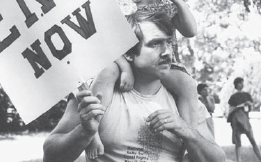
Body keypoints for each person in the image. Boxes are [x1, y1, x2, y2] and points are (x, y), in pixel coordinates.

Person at [43, 10, 226, 162]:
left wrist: (187, 131)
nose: (167, 52)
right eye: (155, 44)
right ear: (129, 54)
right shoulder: (96, 95)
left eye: (168, 42)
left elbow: (218, 160)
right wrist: (84, 132)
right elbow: (50, 156)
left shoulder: (184, 101)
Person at [86, 0, 199, 158]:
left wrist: (178, 0)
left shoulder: (165, 4)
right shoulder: (123, 6)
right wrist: (125, 68)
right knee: (107, 73)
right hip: (123, 60)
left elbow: (190, 30)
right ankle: (92, 131)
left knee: (187, 83)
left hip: (163, 63)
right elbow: (107, 41)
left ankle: (190, 141)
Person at [227, 77, 261, 162]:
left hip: (245, 120)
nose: (242, 84)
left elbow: (250, 108)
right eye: (240, 83)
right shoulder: (233, 97)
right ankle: (238, 161)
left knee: (253, 140)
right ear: (236, 84)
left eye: (242, 83)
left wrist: (249, 105)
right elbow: (230, 109)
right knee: (238, 143)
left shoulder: (247, 95)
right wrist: (242, 105)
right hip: (236, 122)